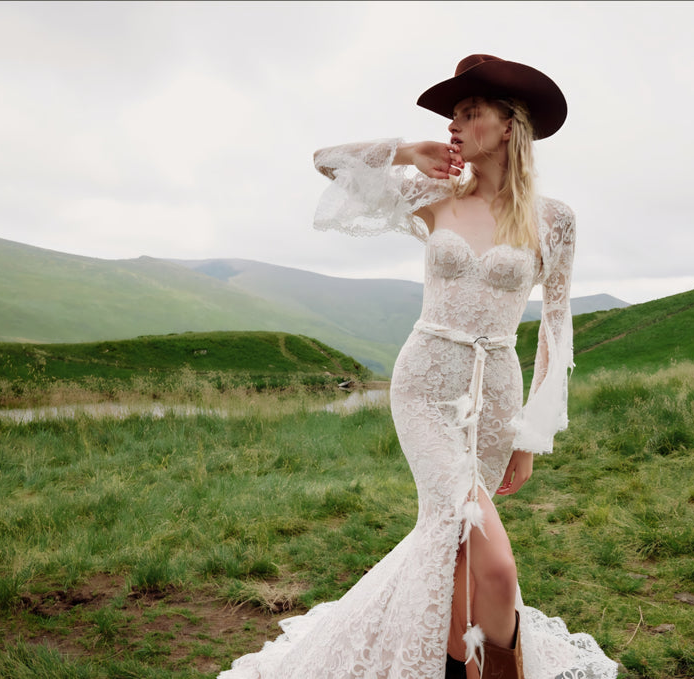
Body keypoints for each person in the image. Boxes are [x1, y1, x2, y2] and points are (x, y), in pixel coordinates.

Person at [220, 54, 617, 679]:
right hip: (425, 388)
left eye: (468, 113)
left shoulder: (554, 219)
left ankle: (458, 663)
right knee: (495, 563)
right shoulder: (433, 197)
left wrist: (530, 437)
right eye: (453, 116)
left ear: (508, 126)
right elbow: (328, 161)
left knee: (458, 550)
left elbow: (555, 327)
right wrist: (409, 152)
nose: (455, 125)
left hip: (494, 398)